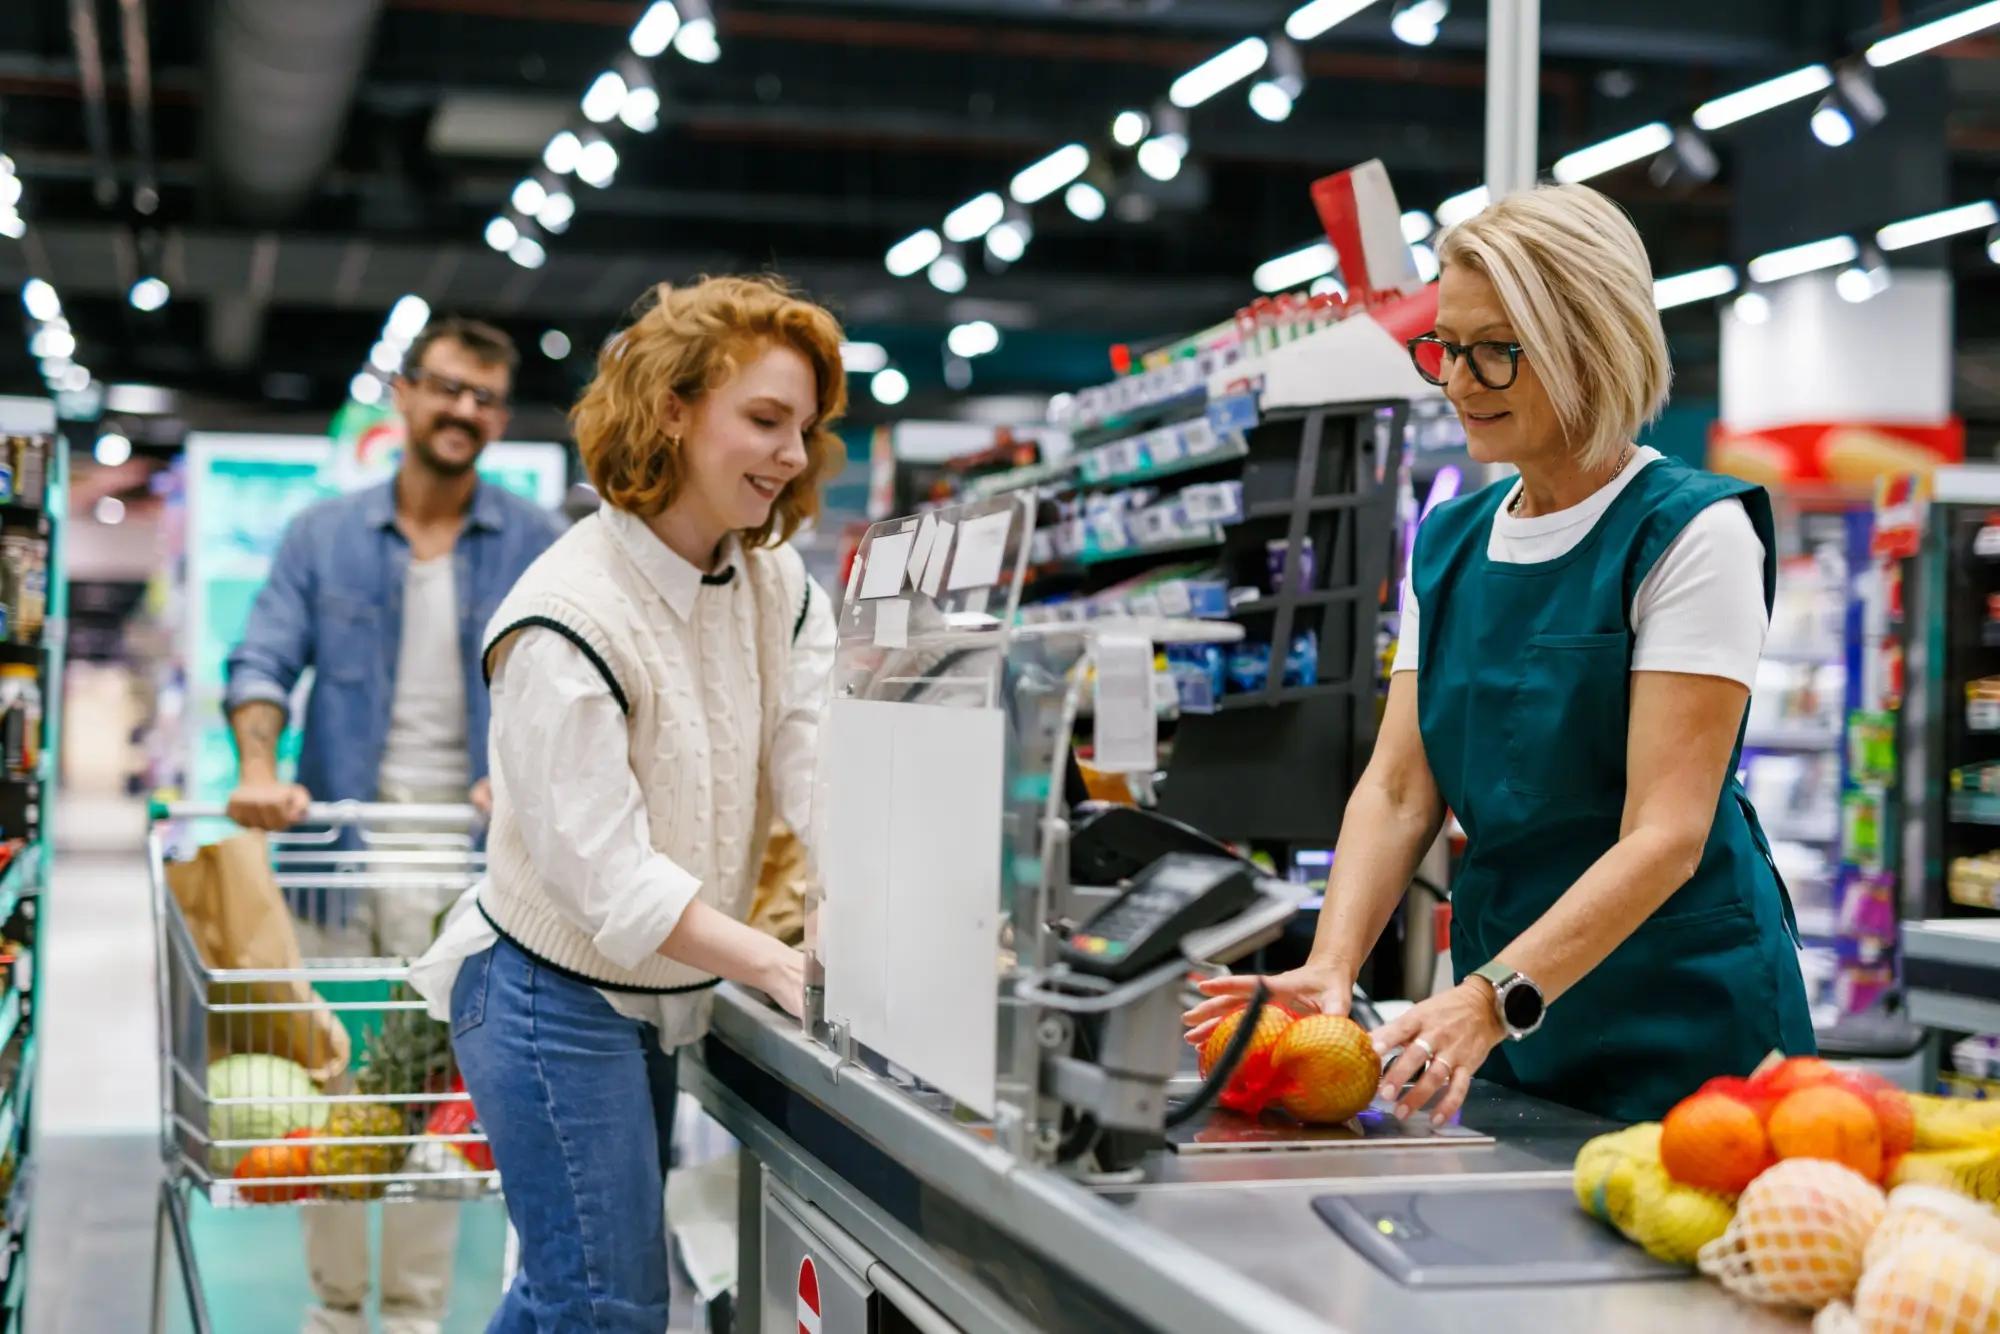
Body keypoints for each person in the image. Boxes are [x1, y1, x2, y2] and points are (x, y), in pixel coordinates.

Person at [1184, 183, 1814, 1128]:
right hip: (1502, 1014)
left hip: (1681, 1019)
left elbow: (1665, 834)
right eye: (1447, 347)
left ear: (1590, 347)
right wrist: (1332, 961)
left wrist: (1492, 995)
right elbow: (1400, 790)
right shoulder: (1450, 544)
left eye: (1496, 353)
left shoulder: (1691, 534)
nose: (1459, 381)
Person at [408, 274, 844, 1331]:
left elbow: (817, 758)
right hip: (548, 995)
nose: (791, 453)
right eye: (764, 419)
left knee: (568, 1290)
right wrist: (777, 960)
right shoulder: (566, 616)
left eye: (807, 426)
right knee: (607, 1305)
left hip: (645, 993)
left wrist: (853, 885)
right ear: (672, 409)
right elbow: (607, 882)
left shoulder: (773, 583)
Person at [223, 316, 559, 1334]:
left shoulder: (536, 542)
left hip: (472, 874)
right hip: (339, 858)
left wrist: (528, 774)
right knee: (336, 1097)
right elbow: (262, 659)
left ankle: (411, 1316)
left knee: (435, 1104)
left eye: (485, 397)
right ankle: (335, 1310)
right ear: (404, 394)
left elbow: (570, 684)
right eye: (448, 387)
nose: (464, 410)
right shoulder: (322, 534)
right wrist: (253, 766)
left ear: (498, 417)